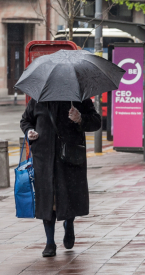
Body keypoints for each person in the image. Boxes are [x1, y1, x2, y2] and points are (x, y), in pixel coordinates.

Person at [20, 99, 101, 257]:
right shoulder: (38, 100)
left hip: (69, 157)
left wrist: (80, 119)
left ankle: (69, 224)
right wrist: (29, 131)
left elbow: (96, 121)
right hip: (44, 157)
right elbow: (25, 120)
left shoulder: (77, 99)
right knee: (47, 199)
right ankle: (50, 242)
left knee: (67, 195)